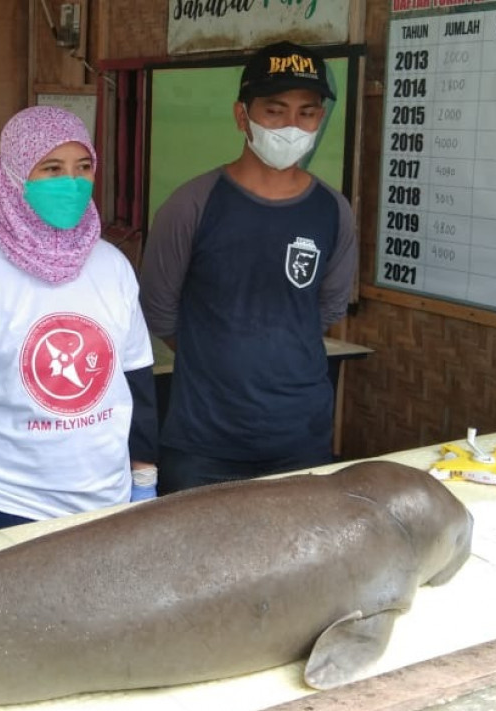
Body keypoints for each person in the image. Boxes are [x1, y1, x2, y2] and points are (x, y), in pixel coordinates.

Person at [0, 106, 158, 541]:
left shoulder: (112, 265)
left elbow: (136, 380)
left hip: (111, 500)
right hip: (10, 507)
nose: (72, 182)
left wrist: (144, 479)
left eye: (83, 167)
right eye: (52, 168)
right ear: (15, 174)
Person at [140, 41, 359, 494]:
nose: (292, 126)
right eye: (275, 111)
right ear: (242, 116)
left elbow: (326, 309)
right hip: (203, 444)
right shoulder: (191, 205)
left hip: (301, 439)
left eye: (307, 113)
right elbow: (158, 311)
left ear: (320, 118)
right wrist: (219, 357)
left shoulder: (333, 210)